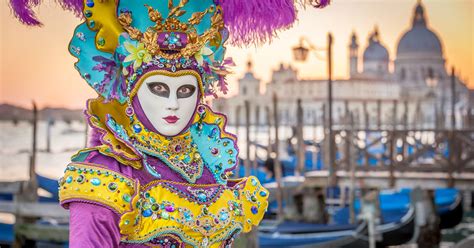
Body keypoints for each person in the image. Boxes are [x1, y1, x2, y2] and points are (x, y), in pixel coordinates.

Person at [9, 0, 329, 246]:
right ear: (133, 90)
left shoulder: (206, 163)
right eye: (159, 89)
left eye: (186, 90)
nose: (174, 103)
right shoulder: (107, 172)